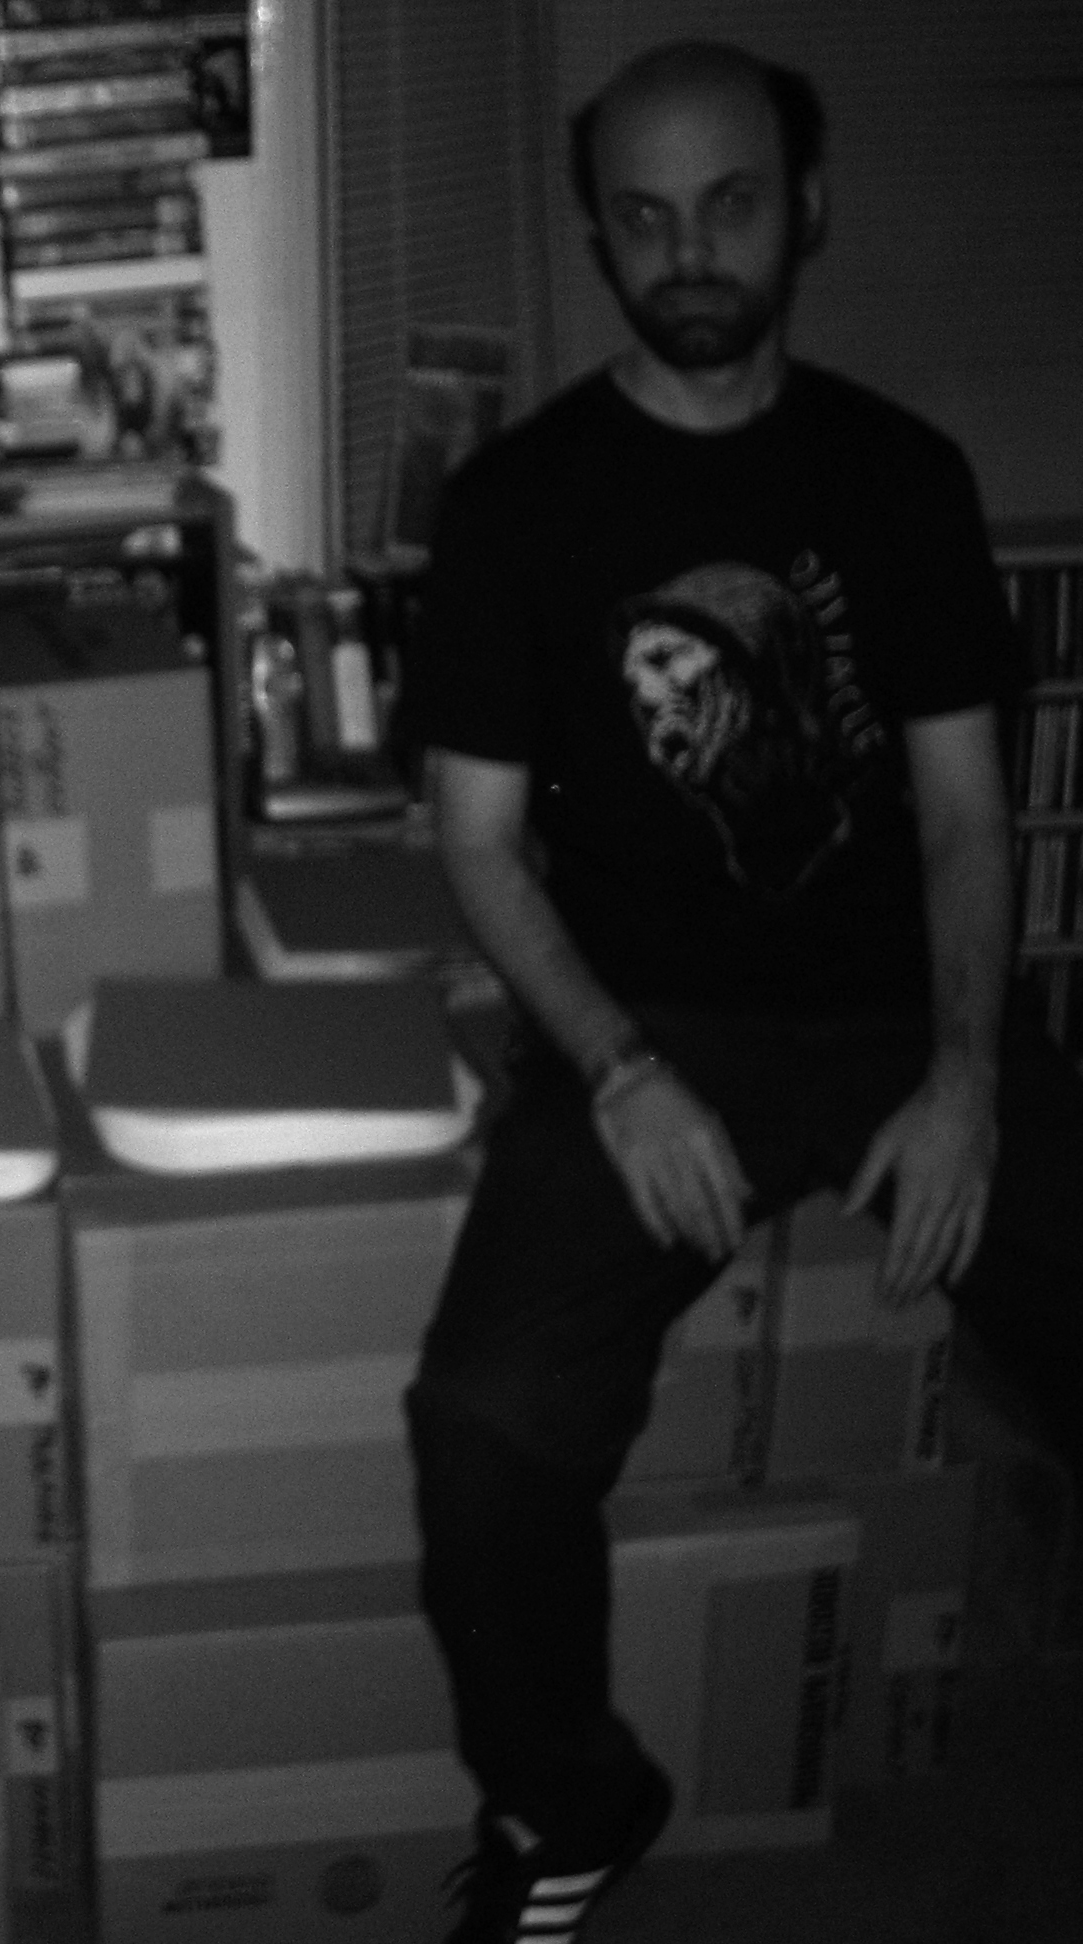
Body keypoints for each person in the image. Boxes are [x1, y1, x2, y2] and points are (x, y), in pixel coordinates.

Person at [400, 40, 1083, 1944]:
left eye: (729, 206)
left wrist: (968, 1077)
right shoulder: (520, 504)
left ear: (807, 209)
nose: (687, 252)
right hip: (654, 1028)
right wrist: (616, 1069)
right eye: (642, 217)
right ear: (597, 237)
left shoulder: (900, 476)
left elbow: (966, 817)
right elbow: (478, 842)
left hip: (902, 1020)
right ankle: (571, 1803)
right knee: (484, 1422)